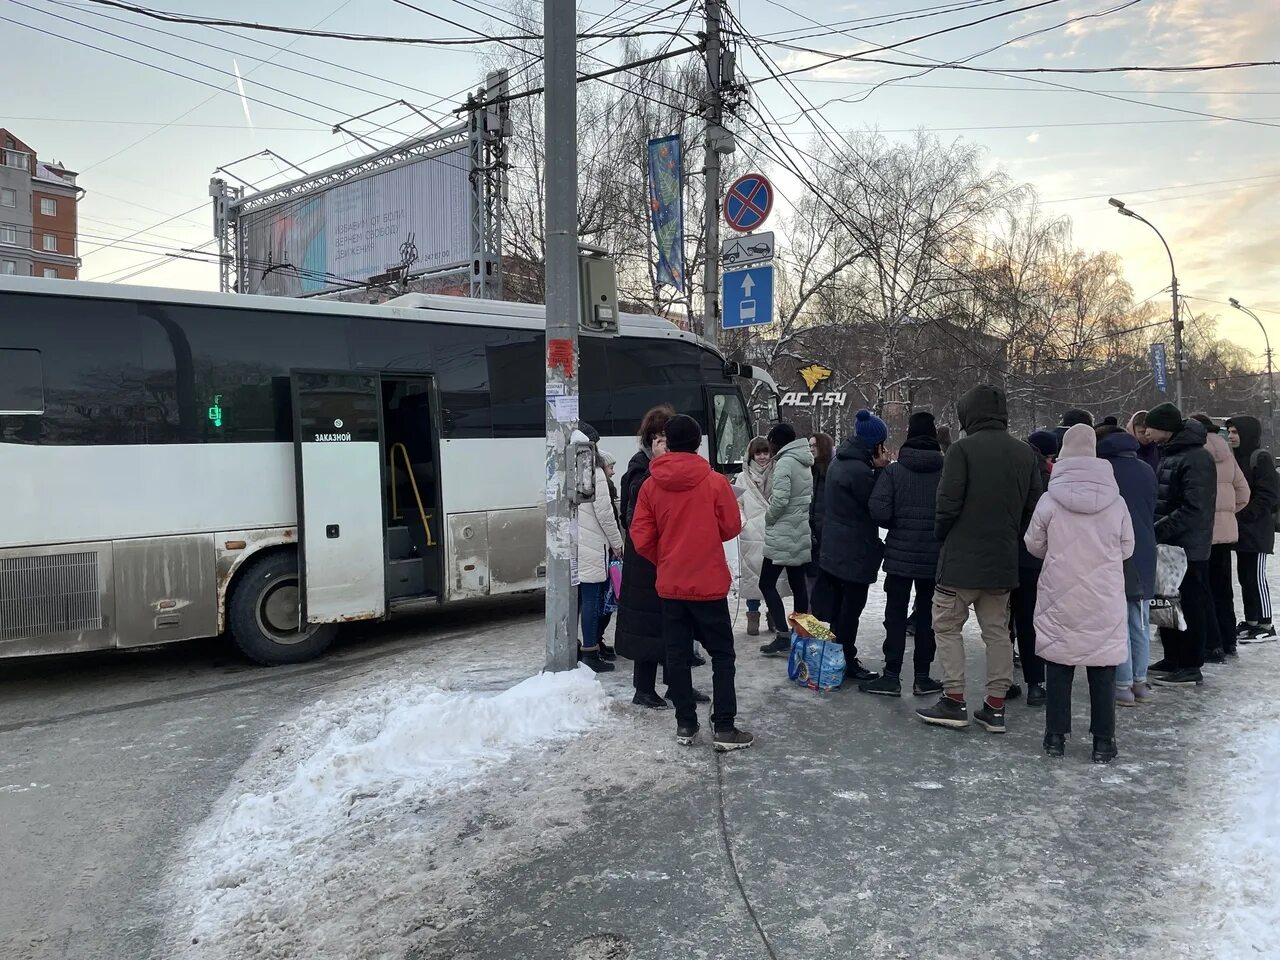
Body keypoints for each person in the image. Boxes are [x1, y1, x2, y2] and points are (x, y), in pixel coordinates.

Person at [916, 384, 1043, 734]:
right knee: (998, 632)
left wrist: (944, 536)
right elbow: (1035, 505)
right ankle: (995, 706)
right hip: (1003, 560)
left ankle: (954, 699)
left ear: (968, 414)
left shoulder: (962, 450)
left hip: (960, 561)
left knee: (946, 626)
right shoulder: (1024, 453)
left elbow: (947, 503)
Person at [629, 414, 752, 751]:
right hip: (709, 584)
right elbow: (730, 526)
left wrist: (665, 558)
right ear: (698, 443)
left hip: (671, 585)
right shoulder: (714, 482)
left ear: (668, 441)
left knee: (677, 656)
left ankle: (686, 724)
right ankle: (724, 727)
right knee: (723, 657)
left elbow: (640, 535)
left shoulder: (651, 484)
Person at [1024, 424, 1134, 763]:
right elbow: (1127, 547)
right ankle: (1104, 741)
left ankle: (1055, 737)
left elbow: (1033, 543)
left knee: (1058, 664)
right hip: (1104, 595)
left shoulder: (1049, 499)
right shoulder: (1116, 501)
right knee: (1102, 668)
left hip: (1061, 592)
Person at [616, 405, 709, 707]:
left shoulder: (674, 466)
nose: (663, 443)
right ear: (648, 439)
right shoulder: (639, 467)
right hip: (644, 562)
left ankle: (676, 684)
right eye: (657, 437)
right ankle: (643, 688)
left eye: (666, 436)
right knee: (648, 627)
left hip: (669, 557)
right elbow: (634, 513)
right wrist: (658, 464)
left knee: (675, 623)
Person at [865, 411, 943, 697]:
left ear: (909, 436)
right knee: (927, 618)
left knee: (895, 616)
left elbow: (879, 510)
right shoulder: (946, 471)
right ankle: (922, 676)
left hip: (899, 557)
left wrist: (897, 522)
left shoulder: (894, 471)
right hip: (934, 558)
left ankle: (891, 675)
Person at [809, 410, 889, 683]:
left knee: (837, 608)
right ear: (875, 443)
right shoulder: (859, 471)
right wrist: (881, 471)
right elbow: (878, 506)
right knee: (849, 611)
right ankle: (843, 660)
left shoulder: (840, 462)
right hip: (853, 552)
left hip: (835, 549)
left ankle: (833, 657)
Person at [1144, 402, 1216, 687]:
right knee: (1168, 601)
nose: (1146, 432)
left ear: (1164, 428)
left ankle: (1190, 664)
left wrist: (1157, 530)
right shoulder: (1172, 453)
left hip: (1188, 547)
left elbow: (1193, 508)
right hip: (1171, 545)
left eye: (1150, 426)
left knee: (1190, 604)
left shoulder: (1196, 458)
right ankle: (1173, 657)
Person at [1097, 423, 1159, 706]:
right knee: (1140, 621)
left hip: (1114, 552)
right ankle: (1140, 682)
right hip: (1145, 551)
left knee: (1116, 621)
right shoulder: (1147, 469)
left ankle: (1121, 685)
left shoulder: (1104, 471)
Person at [1191, 414, 1250, 662]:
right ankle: (1229, 641)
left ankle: (1212, 644)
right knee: (1224, 590)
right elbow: (1243, 493)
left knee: (1202, 589)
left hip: (1202, 533)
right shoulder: (1227, 453)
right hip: (1226, 534)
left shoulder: (1194, 453)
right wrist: (1227, 514)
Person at [1010, 429, 1059, 707]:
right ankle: (1036, 683)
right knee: (1030, 620)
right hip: (1034, 558)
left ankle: (1003, 680)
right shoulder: (1051, 481)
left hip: (1005, 553)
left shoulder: (1011, 474)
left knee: (1001, 621)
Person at [758, 423, 814, 656]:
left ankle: (782, 634)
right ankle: (803, 634)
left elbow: (779, 501)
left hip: (783, 532)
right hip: (800, 529)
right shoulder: (803, 461)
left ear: (776, 442)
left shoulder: (784, 463)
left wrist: (769, 518)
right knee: (798, 584)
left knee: (766, 583)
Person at [1227, 415, 1279, 642]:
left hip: (1257, 529)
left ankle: (1266, 623)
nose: (1231, 437)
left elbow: (1269, 494)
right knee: (1245, 577)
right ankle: (1252, 620)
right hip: (1241, 530)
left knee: (1257, 577)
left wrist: (1246, 513)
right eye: (1229, 432)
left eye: (1235, 432)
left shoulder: (1261, 458)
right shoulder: (1235, 459)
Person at [575, 434, 623, 673]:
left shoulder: (565, 468)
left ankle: (572, 646)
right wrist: (617, 543)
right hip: (593, 546)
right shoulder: (596, 473)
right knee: (592, 599)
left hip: (572, 546)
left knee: (577, 600)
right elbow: (605, 514)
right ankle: (590, 651)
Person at [734, 437, 779, 637]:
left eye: (765, 453)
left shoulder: (778, 473)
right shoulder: (743, 477)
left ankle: (773, 614)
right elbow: (737, 504)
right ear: (751, 455)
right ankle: (753, 614)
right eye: (758, 453)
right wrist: (743, 522)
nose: (762, 457)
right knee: (752, 575)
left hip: (772, 530)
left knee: (773, 578)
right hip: (751, 532)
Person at [807, 432, 835, 600]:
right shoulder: (809, 469)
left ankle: (818, 622)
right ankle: (808, 624)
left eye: (814, 446)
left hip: (826, 533)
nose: (811, 449)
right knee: (809, 582)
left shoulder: (832, 469)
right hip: (810, 533)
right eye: (809, 446)